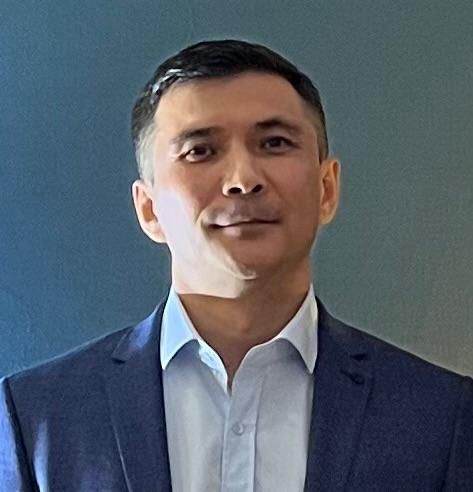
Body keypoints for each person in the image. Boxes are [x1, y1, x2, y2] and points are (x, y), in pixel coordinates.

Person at [1, 39, 472, 492]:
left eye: (274, 143)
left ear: (326, 189)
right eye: (200, 151)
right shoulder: (38, 417)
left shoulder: (441, 415)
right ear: (149, 209)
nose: (243, 180)